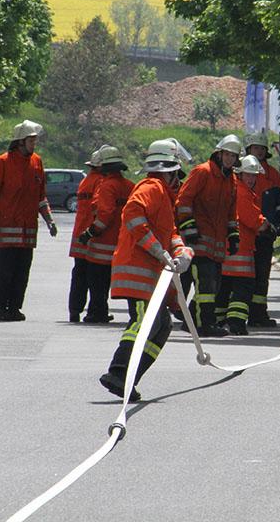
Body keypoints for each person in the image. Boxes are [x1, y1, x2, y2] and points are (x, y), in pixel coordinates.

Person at [100, 139, 193, 402]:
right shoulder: (151, 187)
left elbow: (170, 233)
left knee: (162, 326)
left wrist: (181, 251)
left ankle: (129, 379)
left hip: (151, 276)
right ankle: (118, 372)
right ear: (169, 170)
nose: (179, 179)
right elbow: (132, 214)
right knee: (143, 321)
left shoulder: (164, 196)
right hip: (136, 271)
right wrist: (157, 250)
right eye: (177, 173)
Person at [0, 120, 58, 321]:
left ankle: (14, 308)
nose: (34, 144)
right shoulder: (4, 162)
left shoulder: (37, 162)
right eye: (31, 140)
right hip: (7, 230)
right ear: (20, 141)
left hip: (28, 232)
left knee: (22, 273)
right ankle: (1, 308)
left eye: (35, 140)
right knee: (5, 272)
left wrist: (49, 220)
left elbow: (41, 196)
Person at [175, 134, 240, 337]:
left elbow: (231, 212)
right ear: (219, 153)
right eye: (227, 154)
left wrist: (233, 235)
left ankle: (192, 321)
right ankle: (205, 325)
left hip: (217, 246)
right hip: (198, 242)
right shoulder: (202, 172)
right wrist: (190, 229)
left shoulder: (232, 180)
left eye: (233, 156)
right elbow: (183, 201)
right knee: (206, 286)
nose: (230, 159)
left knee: (214, 287)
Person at [78, 145, 135, 324]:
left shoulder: (106, 187)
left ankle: (97, 313)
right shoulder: (130, 186)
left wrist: (89, 233)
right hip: (122, 245)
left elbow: (104, 215)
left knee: (98, 285)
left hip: (102, 247)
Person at [219, 155, 270, 335]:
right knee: (243, 289)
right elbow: (253, 219)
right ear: (240, 175)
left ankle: (218, 321)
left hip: (233, 247)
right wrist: (266, 225)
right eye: (248, 175)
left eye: (254, 176)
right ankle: (237, 322)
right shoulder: (242, 192)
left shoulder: (238, 189)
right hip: (240, 249)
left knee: (224, 289)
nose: (251, 178)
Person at [243, 132, 280, 327]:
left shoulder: (273, 175)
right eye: (255, 148)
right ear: (249, 150)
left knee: (262, 275)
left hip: (265, 233)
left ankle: (258, 314)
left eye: (261, 148)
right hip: (246, 232)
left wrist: (279, 222)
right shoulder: (243, 170)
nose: (259, 151)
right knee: (241, 276)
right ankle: (235, 313)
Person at [67, 146, 106, 323]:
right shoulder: (100, 182)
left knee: (79, 277)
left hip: (79, 236)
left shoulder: (86, 180)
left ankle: (74, 310)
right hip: (90, 236)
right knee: (94, 278)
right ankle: (94, 311)